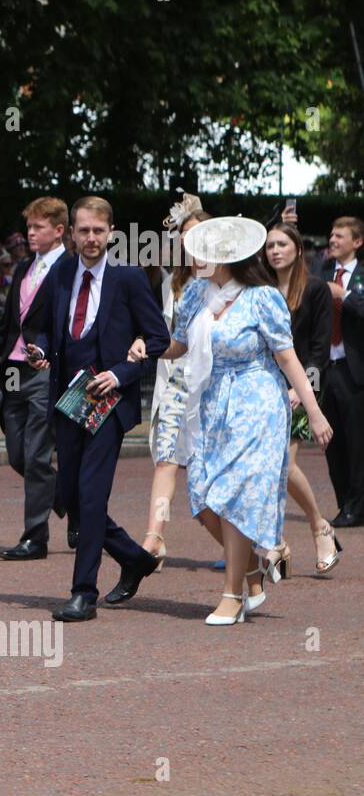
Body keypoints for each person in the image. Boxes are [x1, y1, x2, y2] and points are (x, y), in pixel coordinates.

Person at [161, 217, 332, 624]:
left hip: (257, 403)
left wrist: (313, 409)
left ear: (222, 256)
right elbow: (178, 345)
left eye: (199, 251)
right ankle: (254, 568)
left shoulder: (261, 298)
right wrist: (142, 345)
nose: (193, 258)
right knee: (202, 497)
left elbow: (287, 358)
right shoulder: (195, 295)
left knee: (234, 496)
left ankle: (232, 596)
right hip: (211, 401)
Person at [26, 196, 170, 621]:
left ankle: (82, 593)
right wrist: (40, 349)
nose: (91, 238)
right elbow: (37, 324)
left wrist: (125, 370)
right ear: (71, 232)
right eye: (83, 230)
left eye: (98, 231)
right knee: (70, 495)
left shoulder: (128, 277)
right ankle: (136, 558)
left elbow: (158, 337)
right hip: (69, 401)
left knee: (91, 495)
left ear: (111, 232)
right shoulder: (61, 272)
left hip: (109, 403)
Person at [0, 197, 70, 560]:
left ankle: (35, 537)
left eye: (38, 227)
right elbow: (8, 324)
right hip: (11, 371)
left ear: (58, 231)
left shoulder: (70, 268)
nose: (30, 233)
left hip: (44, 371)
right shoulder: (26, 266)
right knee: (17, 453)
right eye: (29, 226)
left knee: (38, 454)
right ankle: (72, 500)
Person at [133, 199, 211, 569]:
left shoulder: (235, 284)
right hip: (175, 388)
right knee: (166, 462)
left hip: (215, 392)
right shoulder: (173, 284)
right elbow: (164, 337)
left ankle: (265, 542)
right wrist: (144, 345)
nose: (190, 244)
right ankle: (155, 537)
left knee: (210, 477)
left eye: (197, 236)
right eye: (184, 237)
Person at [265, 221, 340, 574]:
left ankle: (317, 527)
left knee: (282, 463)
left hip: (303, 385)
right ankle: (277, 543)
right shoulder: (261, 290)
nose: (275, 251)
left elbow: (318, 349)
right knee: (270, 468)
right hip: (265, 387)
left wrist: (302, 389)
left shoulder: (314, 290)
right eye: (269, 246)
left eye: (281, 244)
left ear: (297, 249)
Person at [319, 216, 364, 527]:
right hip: (326, 368)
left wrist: (344, 296)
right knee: (332, 442)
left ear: (356, 242)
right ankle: (345, 502)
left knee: (357, 441)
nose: (333, 240)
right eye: (331, 235)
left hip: (355, 370)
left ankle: (356, 506)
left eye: (339, 236)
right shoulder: (321, 273)